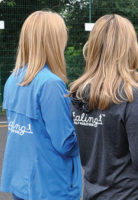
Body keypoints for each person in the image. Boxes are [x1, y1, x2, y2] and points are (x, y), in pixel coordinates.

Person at [69, 14, 138, 200]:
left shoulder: (76, 92)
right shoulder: (130, 93)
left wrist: (137, 116)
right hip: (131, 193)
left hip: (93, 192)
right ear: (128, 47)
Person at [0, 11, 82, 200]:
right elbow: (66, 144)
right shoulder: (50, 84)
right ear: (54, 41)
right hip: (51, 185)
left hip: (22, 181)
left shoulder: (13, 79)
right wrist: (91, 125)